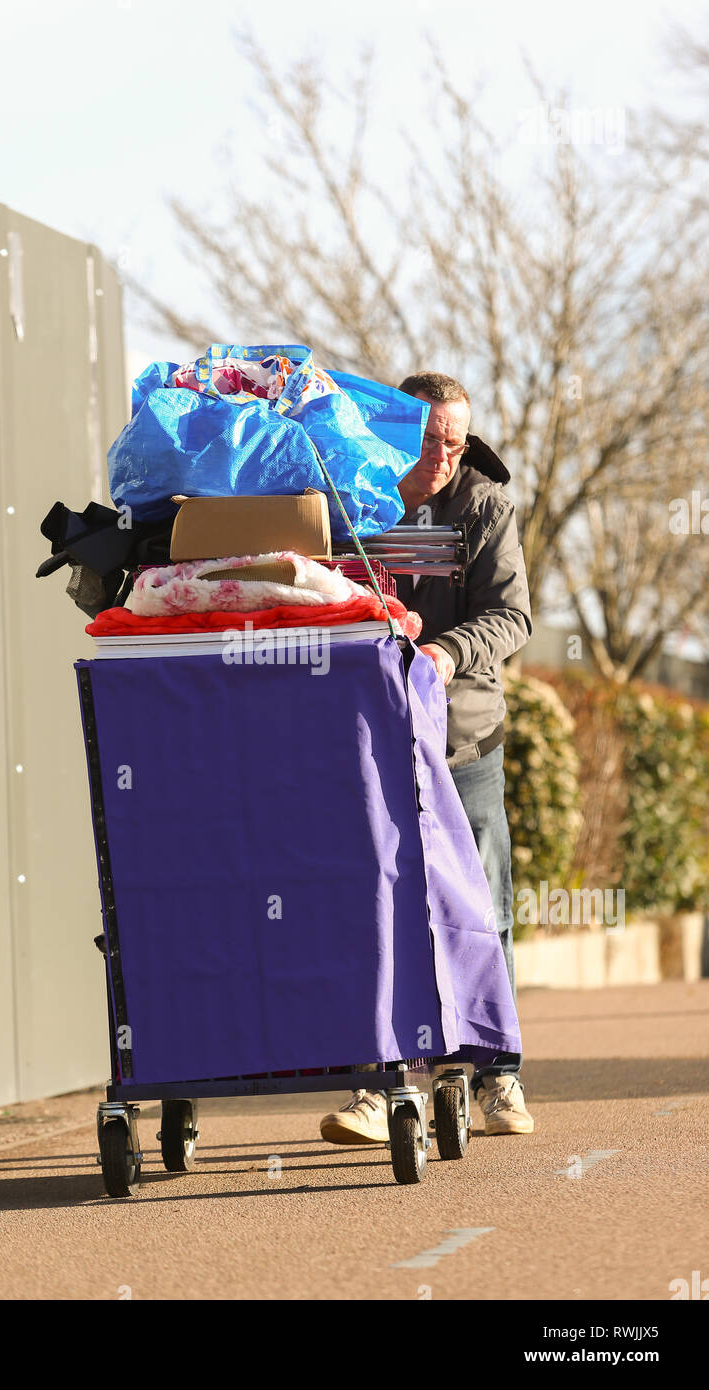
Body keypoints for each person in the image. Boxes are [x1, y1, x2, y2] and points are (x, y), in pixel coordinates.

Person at [319, 370, 534, 1143]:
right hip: (370, 745)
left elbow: (512, 615)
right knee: (372, 905)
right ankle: (375, 1088)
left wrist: (444, 654)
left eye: (455, 439)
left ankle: (497, 1077)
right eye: (429, 437)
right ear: (394, 429)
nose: (443, 453)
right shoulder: (351, 496)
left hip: (463, 738)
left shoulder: (484, 505)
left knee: (482, 907)